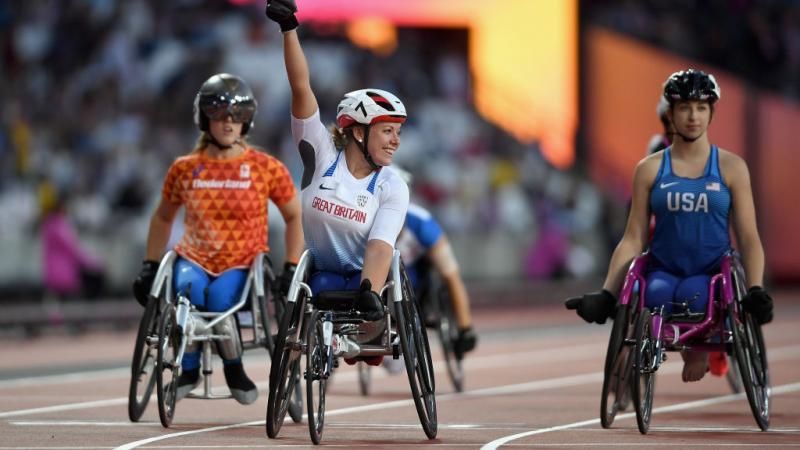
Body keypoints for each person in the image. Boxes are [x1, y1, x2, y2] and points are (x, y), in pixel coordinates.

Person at [566, 69, 773, 383]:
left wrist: (756, 289)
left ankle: (700, 349)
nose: (693, 116)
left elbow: (748, 236)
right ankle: (666, 353)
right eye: (685, 108)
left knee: (695, 297)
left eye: (701, 108)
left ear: (712, 113)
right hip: (662, 270)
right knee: (655, 296)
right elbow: (633, 237)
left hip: (710, 274)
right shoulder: (649, 169)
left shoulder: (732, 168)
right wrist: (608, 294)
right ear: (671, 113)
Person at [131, 73, 304, 404]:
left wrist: (292, 265)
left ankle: (234, 369)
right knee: (186, 292)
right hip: (194, 257)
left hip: (241, 263)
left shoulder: (265, 167)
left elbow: (295, 215)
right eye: (219, 115)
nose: (228, 123)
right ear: (203, 118)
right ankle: (190, 370)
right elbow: (163, 216)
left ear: (247, 122)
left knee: (220, 301)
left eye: (236, 117)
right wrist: (150, 266)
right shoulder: (184, 168)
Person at [265, 0, 410, 366]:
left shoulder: (392, 185)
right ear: (358, 132)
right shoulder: (322, 155)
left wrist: (370, 293)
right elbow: (301, 88)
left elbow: (380, 247)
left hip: (367, 280)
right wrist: (289, 28)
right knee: (320, 292)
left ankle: (364, 332)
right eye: (388, 131)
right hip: (323, 275)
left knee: (371, 356)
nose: (396, 140)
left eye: (398, 132)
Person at [393, 170, 477, 358]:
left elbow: (451, 276)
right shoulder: (366, 218)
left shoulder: (423, 224)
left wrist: (465, 327)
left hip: (415, 275)